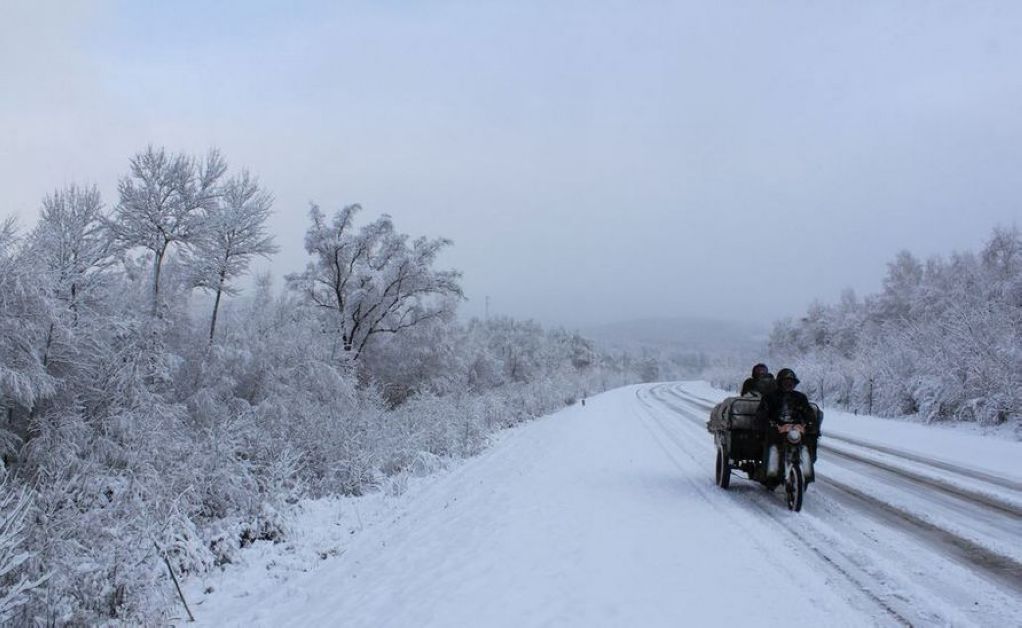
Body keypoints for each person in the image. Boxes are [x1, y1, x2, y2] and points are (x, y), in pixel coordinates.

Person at [757, 368, 819, 469]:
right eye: (786, 382)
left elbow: (808, 413)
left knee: (810, 439)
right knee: (771, 442)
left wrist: (811, 424)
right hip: (776, 428)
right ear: (780, 383)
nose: (789, 385)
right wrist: (768, 424)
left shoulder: (800, 397)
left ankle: (808, 464)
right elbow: (762, 414)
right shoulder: (769, 397)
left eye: (791, 383)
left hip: (796, 429)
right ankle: (769, 470)